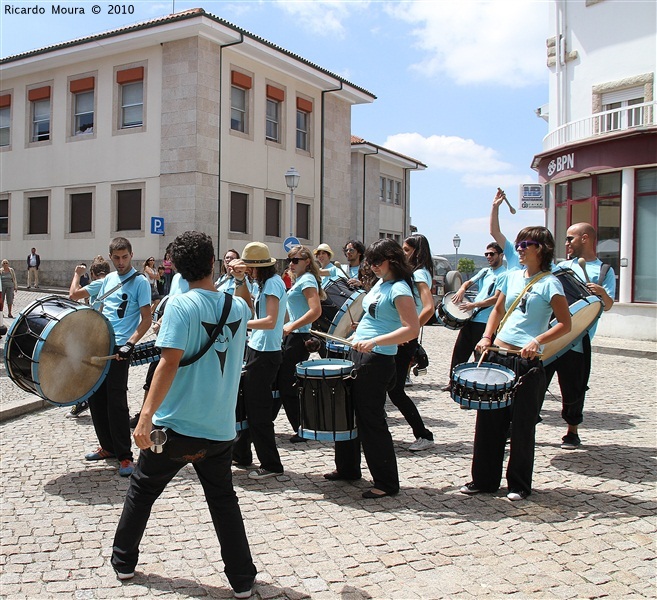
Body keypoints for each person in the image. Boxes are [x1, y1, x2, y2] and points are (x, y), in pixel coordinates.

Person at [111, 231, 257, 597]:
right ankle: (242, 580)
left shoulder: (179, 305)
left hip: (175, 428)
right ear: (212, 263)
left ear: (175, 267)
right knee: (224, 502)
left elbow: (168, 363)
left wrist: (145, 417)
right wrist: (239, 281)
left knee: (142, 491)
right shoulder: (237, 307)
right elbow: (246, 305)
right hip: (220, 429)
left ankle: (123, 562)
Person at [461, 226, 571, 501]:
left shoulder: (550, 283)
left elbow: (565, 324)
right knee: (488, 421)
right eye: (519, 244)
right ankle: (483, 480)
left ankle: (519, 484)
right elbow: (498, 309)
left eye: (526, 244)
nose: (519, 248)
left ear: (541, 248)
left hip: (527, 363)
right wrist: (487, 336)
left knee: (521, 425)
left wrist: (538, 341)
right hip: (499, 356)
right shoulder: (510, 277)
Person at [325, 238, 420, 498]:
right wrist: (359, 332)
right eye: (371, 262)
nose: (373, 266)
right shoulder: (381, 284)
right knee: (349, 413)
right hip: (360, 354)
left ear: (393, 260)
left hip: (377, 360)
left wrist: (374, 340)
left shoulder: (400, 288)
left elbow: (411, 329)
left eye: (378, 262)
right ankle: (347, 469)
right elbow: (374, 316)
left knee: (371, 421)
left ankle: (386, 482)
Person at [76, 237, 152, 477]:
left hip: (120, 348)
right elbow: (79, 298)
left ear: (131, 255)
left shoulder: (141, 282)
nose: (121, 262)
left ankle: (125, 456)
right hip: (100, 344)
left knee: (116, 402)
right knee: (97, 398)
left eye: (125, 257)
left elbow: (146, 319)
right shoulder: (107, 279)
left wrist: (130, 344)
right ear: (110, 257)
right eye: (116, 258)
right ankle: (107, 447)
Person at [544, 222, 615, 449]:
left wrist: (602, 293)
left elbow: (608, 305)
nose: (566, 243)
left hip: (578, 342)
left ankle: (572, 431)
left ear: (585, 238)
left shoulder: (604, 271)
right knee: (535, 383)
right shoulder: (561, 267)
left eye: (570, 238)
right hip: (552, 337)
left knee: (574, 389)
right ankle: (519, 425)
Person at [232, 242, 288, 480]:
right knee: (250, 407)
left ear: (257, 267)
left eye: (249, 268)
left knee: (259, 412)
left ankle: (271, 464)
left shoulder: (273, 284)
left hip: (266, 353)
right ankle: (244, 455)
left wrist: (238, 324)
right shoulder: (262, 283)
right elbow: (245, 305)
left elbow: (270, 320)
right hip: (258, 349)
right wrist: (239, 280)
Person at [387, 234, 435, 451]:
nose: (403, 253)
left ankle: (424, 434)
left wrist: (410, 333)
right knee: (390, 388)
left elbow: (428, 307)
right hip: (402, 336)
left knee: (395, 391)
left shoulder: (419, 274)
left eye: (407, 250)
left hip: (405, 339)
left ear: (417, 251)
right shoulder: (415, 274)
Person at [276, 245, 323, 443]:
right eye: (290, 260)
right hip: (293, 335)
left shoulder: (308, 279)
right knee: (285, 383)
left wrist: (291, 326)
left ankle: (303, 428)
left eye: (296, 260)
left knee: (287, 385)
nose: (291, 264)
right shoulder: (301, 280)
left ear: (307, 261)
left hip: (298, 336)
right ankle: (301, 426)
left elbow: (315, 310)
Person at [444, 243, 507, 389]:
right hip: (472, 319)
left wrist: (473, 305)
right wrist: (461, 289)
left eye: (492, 254)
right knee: (460, 351)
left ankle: (476, 386)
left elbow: (496, 299)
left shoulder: (504, 275)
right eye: (486, 254)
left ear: (501, 255)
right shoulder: (485, 271)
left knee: (480, 356)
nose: (488, 257)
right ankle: (453, 382)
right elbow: (468, 282)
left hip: (486, 322)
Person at [67, 257, 112, 418]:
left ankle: (84, 401)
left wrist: (77, 274)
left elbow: (72, 295)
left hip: (97, 331)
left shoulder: (99, 283)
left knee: (85, 366)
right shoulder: (110, 281)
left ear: (93, 274)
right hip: (107, 331)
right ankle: (88, 401)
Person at [490, 189, 521, 270]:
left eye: (526, 244)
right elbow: (495, 232)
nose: (520, 248)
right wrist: (495, 206)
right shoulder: (513, 251)